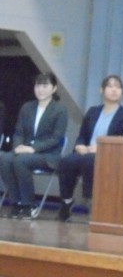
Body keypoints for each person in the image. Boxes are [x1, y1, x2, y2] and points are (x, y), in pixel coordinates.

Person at [57, 75, 123, 222]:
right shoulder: (93, 111)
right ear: (101, 90)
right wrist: (79, 145)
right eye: (110, 86)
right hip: (87, 152)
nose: (114, 90)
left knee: (89, 160)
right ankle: (66, 201)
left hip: (111, 155)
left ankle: (92, 201)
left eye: (118, 87)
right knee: (67, 161)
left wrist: (101, 148)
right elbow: (82, 135)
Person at [0, 72, 68, 219]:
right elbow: (19, 132)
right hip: (25, 152)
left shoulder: (60, 109)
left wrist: (33, 148)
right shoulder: (27, 107)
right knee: (4, 158)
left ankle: (29, 204)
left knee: (21, 161)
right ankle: (16, 202)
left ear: (54, 88)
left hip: (48, 155)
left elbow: (56, 138)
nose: (40, 89)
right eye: (38, 85)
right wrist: (18, 146)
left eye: (45, 86)